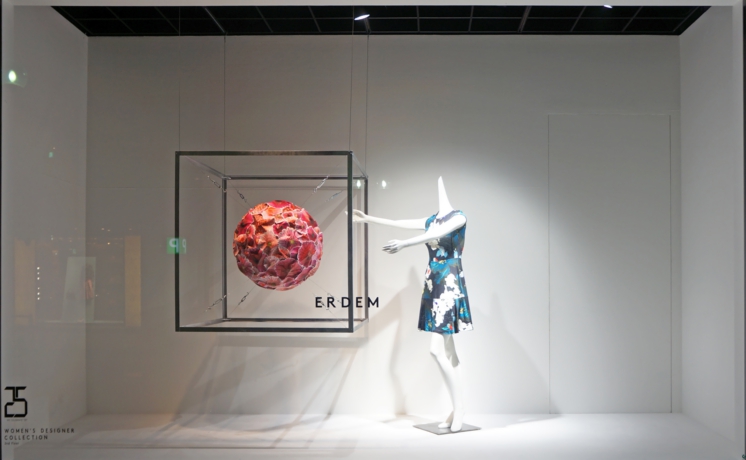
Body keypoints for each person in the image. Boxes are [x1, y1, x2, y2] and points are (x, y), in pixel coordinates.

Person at [353, 176, 473, 432]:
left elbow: (437, 235)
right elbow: (400, 223)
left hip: (449, 283)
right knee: (450, 352)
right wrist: (367, 219)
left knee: (437, 351)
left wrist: (405, 244)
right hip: (433, 284)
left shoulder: (458, 218)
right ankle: (457, 408)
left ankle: (460, 408)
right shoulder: (431, 220)